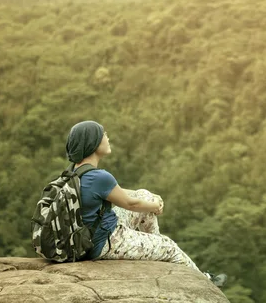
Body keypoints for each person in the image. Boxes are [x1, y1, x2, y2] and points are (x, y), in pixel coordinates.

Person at [65, 120, 227, 287]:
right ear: (93, 142)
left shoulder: (73, 173)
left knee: (144, 195)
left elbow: (114, 192)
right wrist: (155, 205)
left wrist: (151, 198)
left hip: (88, 237)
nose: (107, 137)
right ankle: (205, 281)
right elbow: (130, 204)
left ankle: (153, 247)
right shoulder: (100, 176)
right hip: (105, 241)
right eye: (103, 134)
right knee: (169, 245)